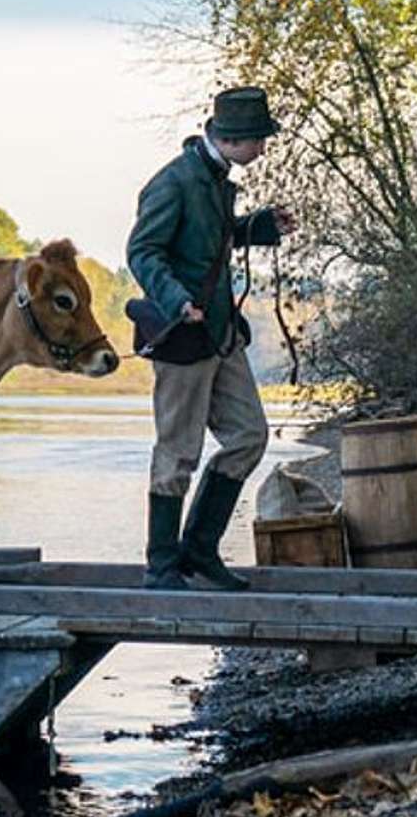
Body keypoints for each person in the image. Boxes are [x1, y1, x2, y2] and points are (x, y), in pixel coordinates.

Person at [126, 86, 295, 591]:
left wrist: (258, 227)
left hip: (222, 335)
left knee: (249, 436)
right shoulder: (174, 182)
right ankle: (161, 566)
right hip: (183, 334)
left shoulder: (216, 178)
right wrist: (176, 299)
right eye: (260, 140)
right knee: (178, 451)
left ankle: (198, 551)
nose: (264, 148)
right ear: (235, 139)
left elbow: (210, 238)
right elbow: (142, 251)